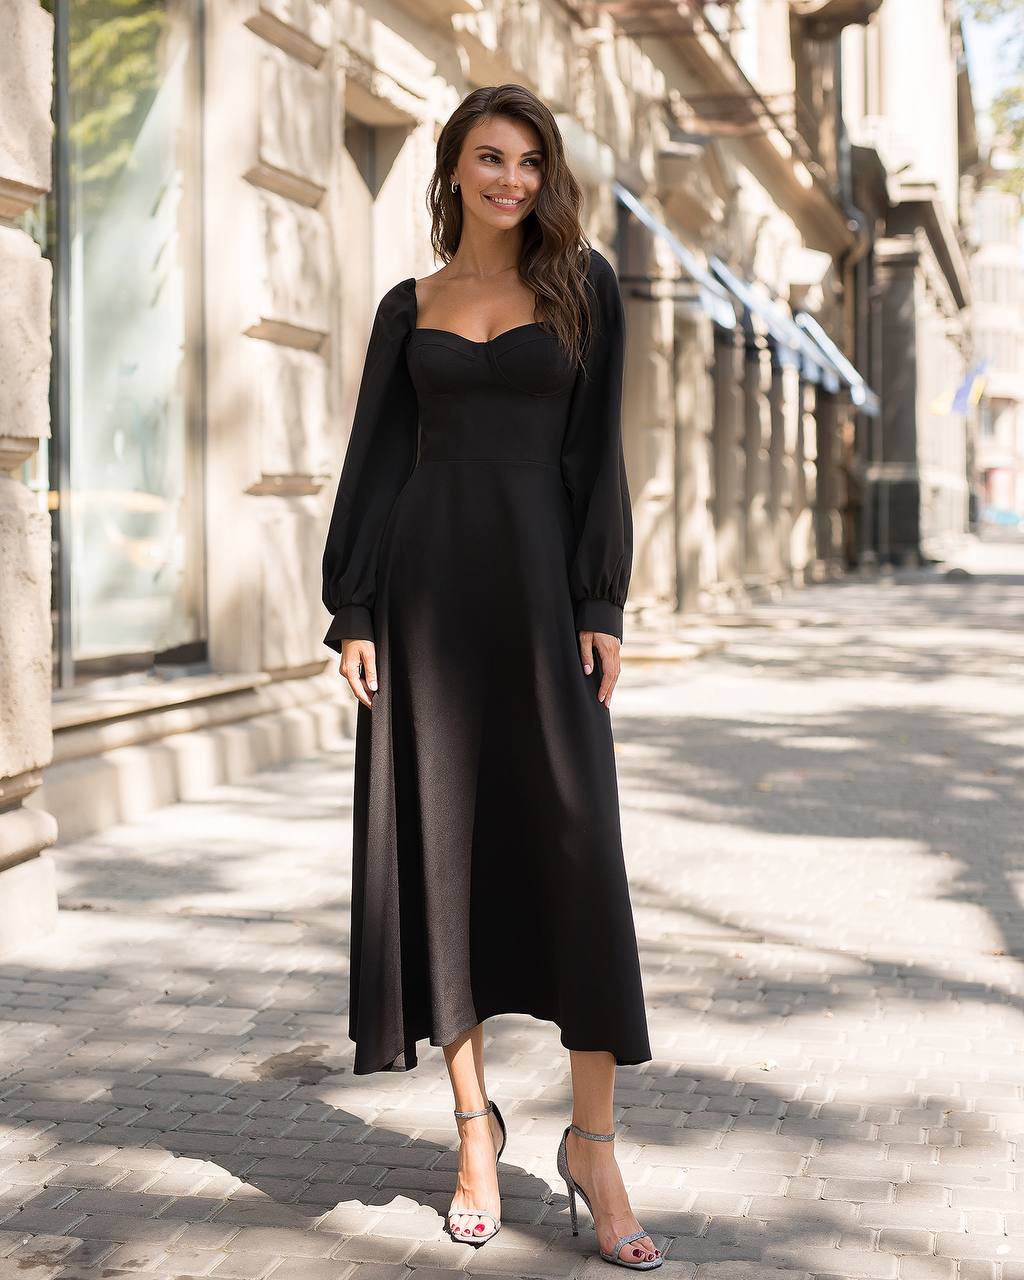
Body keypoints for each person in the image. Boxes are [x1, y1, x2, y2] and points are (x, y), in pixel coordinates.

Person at [320, 83, 660, 1270]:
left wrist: (602, 598)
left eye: (528, 160)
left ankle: (593, 1141)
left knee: (578, 847)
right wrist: (353, 603)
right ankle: (473, 1131)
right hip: (423, 606)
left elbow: (596, 454)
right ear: (453, 170)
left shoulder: (583, 288)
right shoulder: (405, 306)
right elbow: (370, 459)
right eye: (487, 158)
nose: (510, 179)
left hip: (539, 607)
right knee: (442, 854)